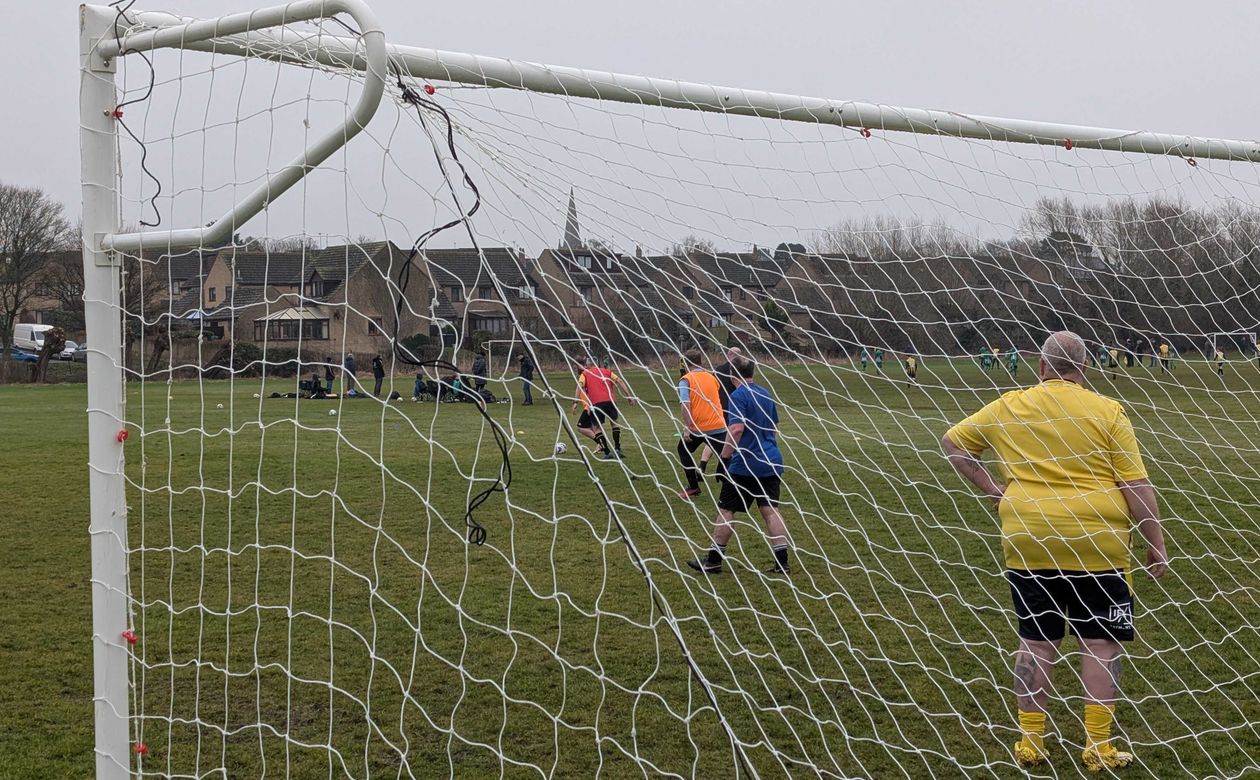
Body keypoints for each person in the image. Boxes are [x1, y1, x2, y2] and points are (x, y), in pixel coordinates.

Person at [941, 331, 1167, 772]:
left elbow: (952, 443)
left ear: (1041, 367)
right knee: (1100, 644)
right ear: (1084, 369)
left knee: (1036, 642)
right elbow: (1135, 485)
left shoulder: (1009, 406)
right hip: (1098, 545)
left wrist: (994, 491)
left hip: (1030, 541)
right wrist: (1155, 541)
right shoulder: (1108, 411)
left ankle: (1031, 742)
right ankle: (1097, 746)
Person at [688, 356, 790, 575]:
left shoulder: (738, 395)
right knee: (771, 511)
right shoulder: (765, 393)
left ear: (731, 374)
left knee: (726, 509)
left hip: (745, 464)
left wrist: (723, 459)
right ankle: (782, 563)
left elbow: (736, 430)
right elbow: (774, 427)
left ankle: (714, 561)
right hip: (771, 460)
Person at [677, 350, 728, 499]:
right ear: (700, 362)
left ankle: (693, 487)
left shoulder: (686, 380)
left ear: (686, 363)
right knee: (727, 456)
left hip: (698, 428)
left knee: (683, 450)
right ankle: (735, 484)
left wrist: (687, 427)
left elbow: (685, 405)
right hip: (718, 425)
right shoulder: (712, 377)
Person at [571, 355, 634, 460]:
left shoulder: (585, 373)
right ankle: (618, 449)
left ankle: (607, 452)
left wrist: (575, 402)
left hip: (597, 403)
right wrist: (628, 396)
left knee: (596, 428)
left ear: (587, 365)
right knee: (614, 423)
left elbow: (579, 385)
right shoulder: (607, 371)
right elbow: (620, 381)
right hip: (611, 401)